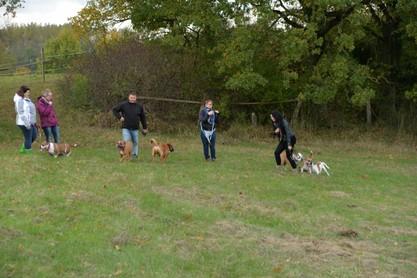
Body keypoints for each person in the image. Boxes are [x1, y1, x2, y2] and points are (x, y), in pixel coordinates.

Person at [112, 93, 148, 159]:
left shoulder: (139, 106)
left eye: (133, 98)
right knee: (126, 142)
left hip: (135, 128)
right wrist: (119, 117)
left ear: (136, 98)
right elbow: (114, 110)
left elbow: (143, 117)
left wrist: (145, 128)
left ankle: (135, 155)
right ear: (129, 98)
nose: (132, 99)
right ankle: (125, 155)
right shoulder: (123, 105)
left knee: (135, 142)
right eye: (131, 98)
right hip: (126, 128)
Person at [14, 85, 38, 154]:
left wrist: (33, 121)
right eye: (27, 92)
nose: (28, 94)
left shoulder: (27, 99)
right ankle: (28, 152)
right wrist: (27, 123)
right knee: (28, 137)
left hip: (31, 122)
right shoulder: (20, 101)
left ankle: (23, 148)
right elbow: (21, 113)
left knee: (34, 136)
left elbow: (30, 111)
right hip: (23, 123)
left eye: (29, 92)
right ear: (23, 93)